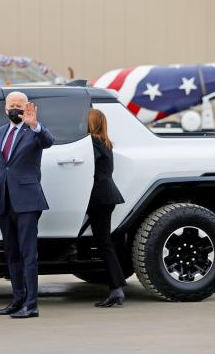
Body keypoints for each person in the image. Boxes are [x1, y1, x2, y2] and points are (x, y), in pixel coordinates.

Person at [0, 91, 55, 319]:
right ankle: (17, 299)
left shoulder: (33, 131)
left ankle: (31, 305)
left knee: (28, 254)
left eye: (19, 105)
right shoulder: (0, 133)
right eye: (11, 105)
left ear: (26, 107)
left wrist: (35, 125)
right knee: (11, 253)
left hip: (28, 201)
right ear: (5, 108)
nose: (15, 108)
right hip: (5, 199)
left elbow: (48, 142)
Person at [86, 108, 127, 307]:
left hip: (100, 197)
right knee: (105, 243)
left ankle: (116, 290)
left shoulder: (93, 143)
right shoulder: (105, 142)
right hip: (106, 195)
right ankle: (116, 288)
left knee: (104, 244)